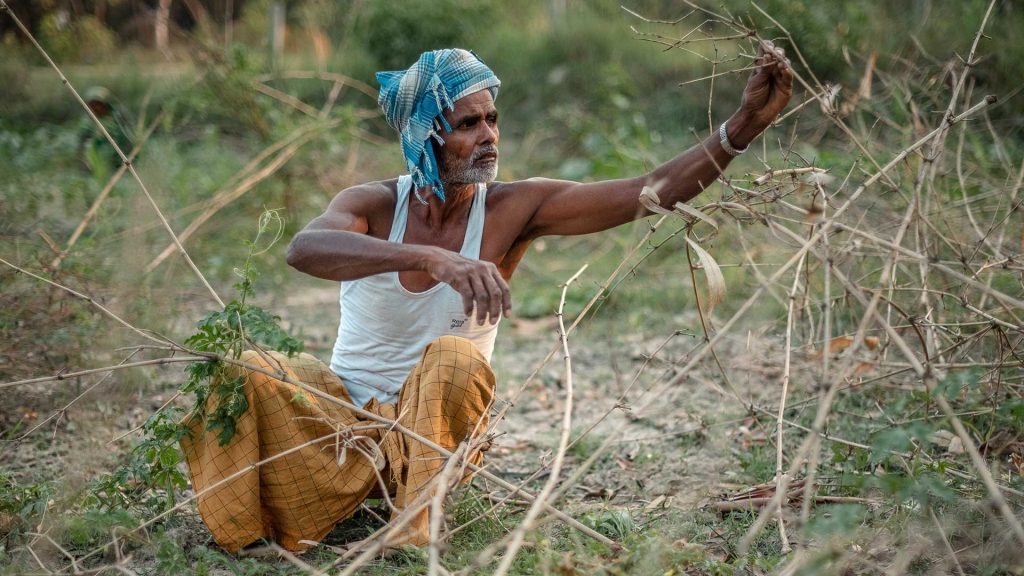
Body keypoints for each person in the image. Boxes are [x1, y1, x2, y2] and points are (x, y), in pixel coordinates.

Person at [181, 45, 792, 553]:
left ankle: (412, 528)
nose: (489, 136)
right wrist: (428, 256)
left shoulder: (512, 208)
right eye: (468, 124)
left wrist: (741, 129)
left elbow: (644, 192)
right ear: (427, 133)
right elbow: (305, 249)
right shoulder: (370, 205)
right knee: (241, 371)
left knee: (455, 357)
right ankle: (252, 534)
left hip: (431, 444)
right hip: (339, 431)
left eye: (492, 120)